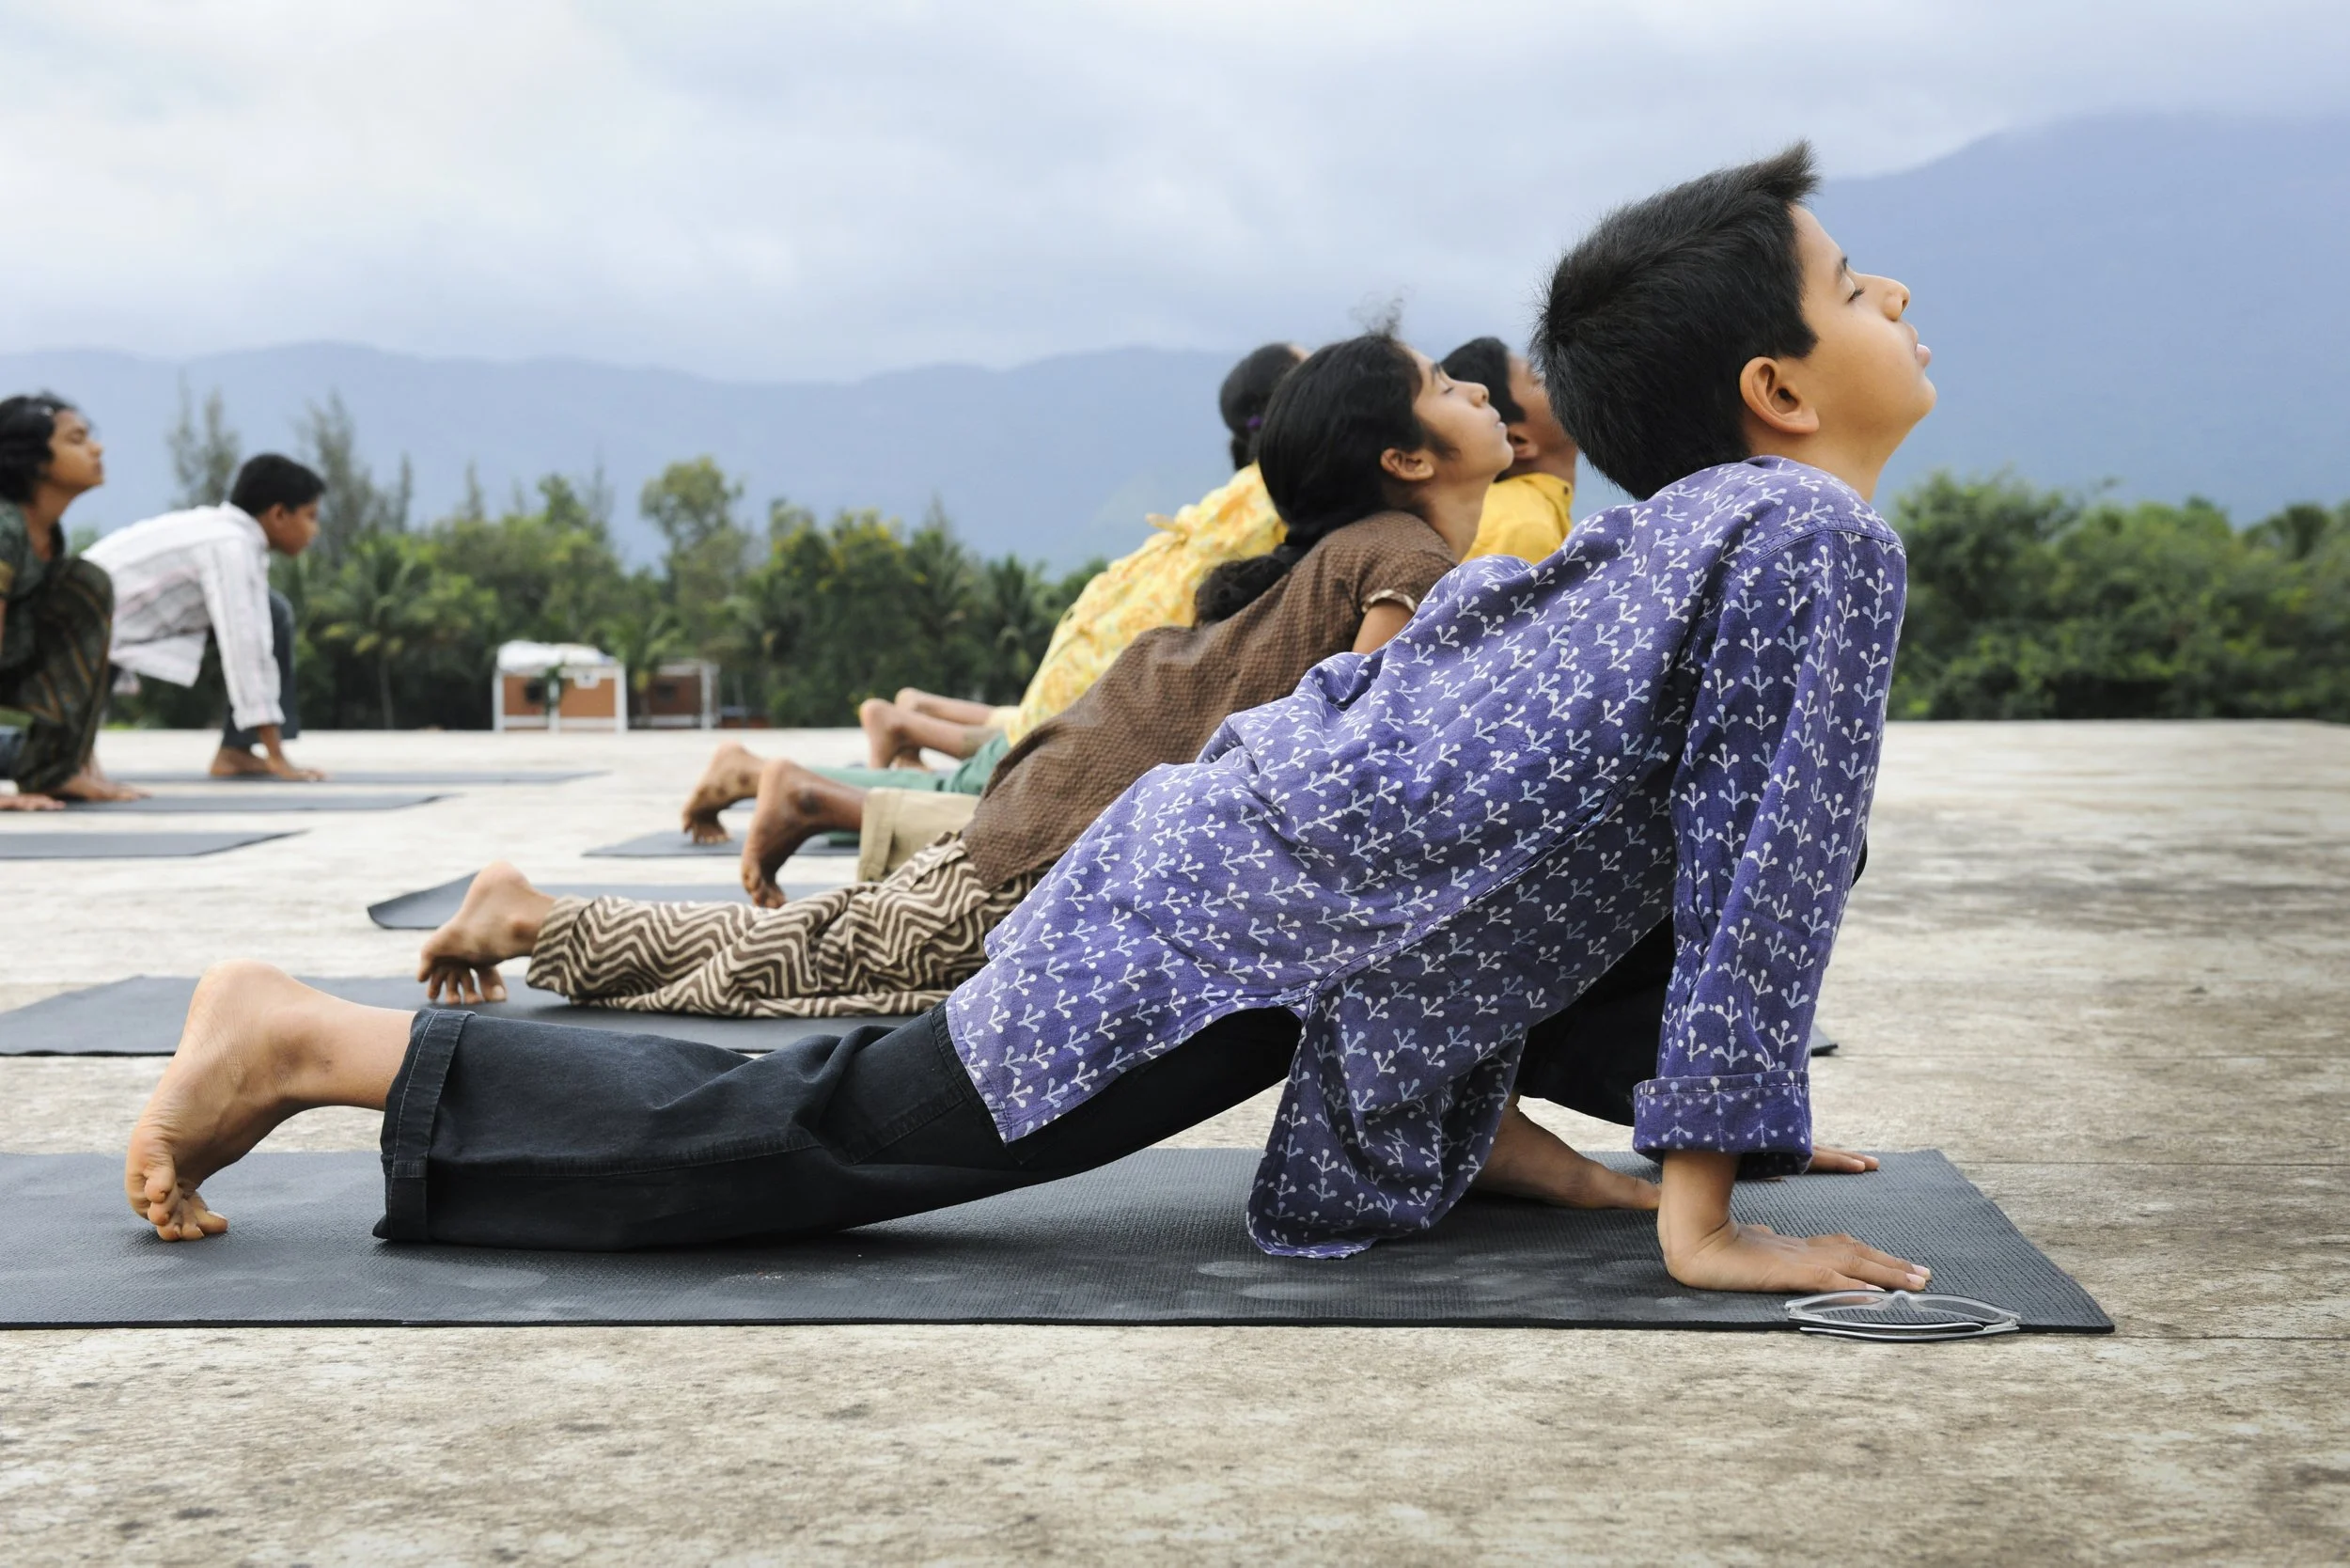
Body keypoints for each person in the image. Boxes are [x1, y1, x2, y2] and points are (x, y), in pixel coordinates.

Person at [126, 144, 1937, 1297]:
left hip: (1245, 883)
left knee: (839, 1111)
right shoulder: (1803, 542)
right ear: (1778, 388)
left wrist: (1697, 1131)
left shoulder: (1709, 529)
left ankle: (318, 1040)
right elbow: (1758, 868)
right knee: (828, 1134)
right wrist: (1706, 1204)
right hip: (1217, 910)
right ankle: (306, 1041)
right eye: (1857, 286)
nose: (1899, 297)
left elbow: (1611, 883)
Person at [415, 329, 1491, 1026]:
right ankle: (526, 917)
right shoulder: (1404, 554)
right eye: (1445, 384)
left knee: (824, 958)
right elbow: (1345, 745)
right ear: (1403, 458)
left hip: (1059, 800)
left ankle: (534, 917)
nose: (1478, 388)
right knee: (807, 967)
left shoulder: (1362, 547)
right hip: (1058, 841)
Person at [675, 343, 1308, 841]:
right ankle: (756, 775)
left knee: (974, 781)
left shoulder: (1246, 494)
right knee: (970, 798)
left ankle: (863, 737)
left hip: (1071, 693)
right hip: (1074, 712)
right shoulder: (1284, 490)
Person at [83, 454, 328, 781]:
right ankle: (73, 760)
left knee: (271, 610)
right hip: (85, 627)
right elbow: (246, 647)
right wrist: (277, 757)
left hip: (111, 622)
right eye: (310, 516)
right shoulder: (231, 546)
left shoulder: (227, 534)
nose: (315, 530)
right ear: (279, 514)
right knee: (262, 620)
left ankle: (238, 749)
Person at [0, 394, 142, 808]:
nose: (96, 449)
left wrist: (82, 764)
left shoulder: (45, 535)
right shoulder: (4, 527)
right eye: (77, 439)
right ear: (36, 461)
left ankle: (55, 769)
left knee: (85, 585)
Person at [1438, 337, 1581, 561]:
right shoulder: (1522, 527)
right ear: (1518, 441)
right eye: (1536, 379)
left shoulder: (1528, 515)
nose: (1559, 382)